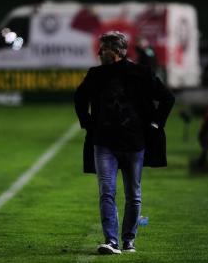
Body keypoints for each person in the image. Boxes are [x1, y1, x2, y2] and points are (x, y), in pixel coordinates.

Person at [74, 31, 175, 254]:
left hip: (134, 144)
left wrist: (156, 124)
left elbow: (168, 97)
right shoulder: (96, 74)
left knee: (133, 195)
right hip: (104, 144)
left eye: (103, 48)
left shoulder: (141, 72)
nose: (99, 52)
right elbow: (79, 98)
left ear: (116, 50)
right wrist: (88, 123)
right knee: (106, 192)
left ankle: (129, 240)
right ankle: (112, 241)